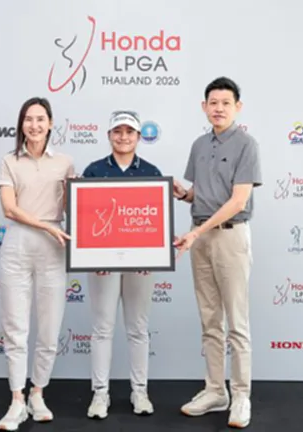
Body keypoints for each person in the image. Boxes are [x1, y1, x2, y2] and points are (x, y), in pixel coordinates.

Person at [173, 77, 262, 429]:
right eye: (213, 102)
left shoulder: (247, 145)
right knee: (210, 320)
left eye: (226, 103)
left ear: (237, 107)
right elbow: (203, 192)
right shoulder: (199, 145)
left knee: (237, 323)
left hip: (229, 236)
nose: (219, 108)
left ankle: (240, 396)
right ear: (204, 106)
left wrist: (196, 232)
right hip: (201, 238)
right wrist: (184, 195)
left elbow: (238, 201)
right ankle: (215, 391)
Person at [0, 97, 75, 431]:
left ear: (51, 123)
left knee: (49, 329)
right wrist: (45, 226)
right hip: (18, 244)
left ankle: (37, 394)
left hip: (54, 249)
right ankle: (16, 400)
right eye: (28, 119)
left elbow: (77, 209)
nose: (34, 125)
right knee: (15, 328)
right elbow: (9, 209)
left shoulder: (65, 163)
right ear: (21, 124)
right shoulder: (9, 160)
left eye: (41, 119)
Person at [81, 110, 162, 419]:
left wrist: (151, 256)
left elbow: (154, 220)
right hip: (103, 264)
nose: (123, 137)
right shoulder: (94, 171)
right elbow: (86, 219)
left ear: (139, 137)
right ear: (109, 135)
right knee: (102, 328)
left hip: (140, 265)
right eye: (118, 131)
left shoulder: (152, 172)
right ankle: (100, 393)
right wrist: (94, 257)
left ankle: (139, 391)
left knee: (138, 328)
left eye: (129, 132)